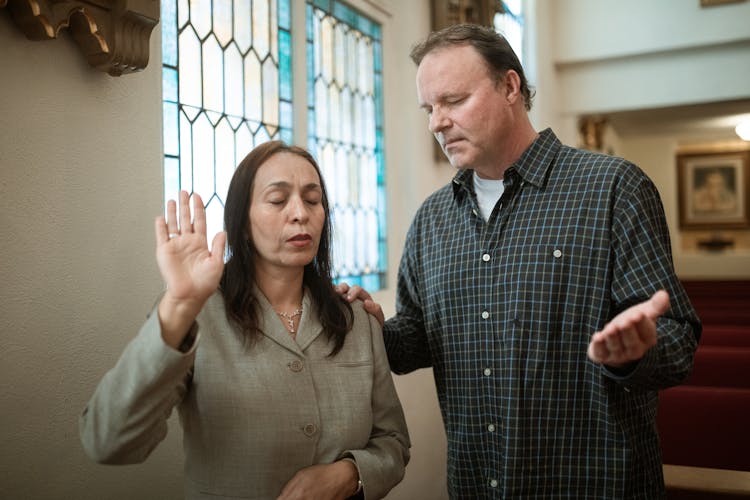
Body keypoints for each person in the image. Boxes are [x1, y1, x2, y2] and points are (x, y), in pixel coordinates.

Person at [340, 24, 701, 498]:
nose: (437, 122)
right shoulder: (432, 219)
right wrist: (367, 327)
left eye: (453, 100)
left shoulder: (612, 189)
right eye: (430, 108)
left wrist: (635, 352)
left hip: (594, 484)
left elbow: (677, 341)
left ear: (510, 86)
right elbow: (417, 341)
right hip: (477, 484)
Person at [80, 141, 410, 499]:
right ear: (243, 221)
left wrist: (349, 474)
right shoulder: (197, 316)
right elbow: (107, 441)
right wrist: (179, 305)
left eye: (313, 200)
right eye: (278, 199)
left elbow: (393, 442)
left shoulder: (355, 318)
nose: (300, 212)